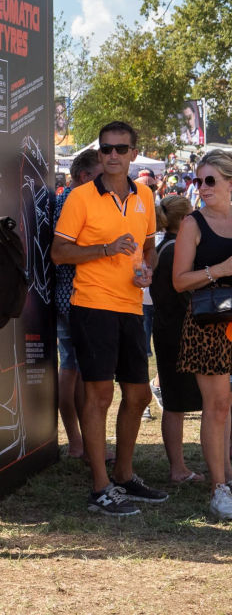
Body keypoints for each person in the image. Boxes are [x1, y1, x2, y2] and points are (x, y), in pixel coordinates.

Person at [52, 120, 166, 517]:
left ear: (134, 153)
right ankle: (100, 487)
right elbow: (59, 253)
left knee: (139, 395)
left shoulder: (145, 195)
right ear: (99, 154)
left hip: (132, 306)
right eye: (106, 149)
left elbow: (149, 247)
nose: (112, 155)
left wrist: (147, 269)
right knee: (99, 395)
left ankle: (124, 474)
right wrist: (105, 249)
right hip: (92, 305)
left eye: (120, 148)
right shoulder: (80, 197)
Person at [172, 150, 232, 520]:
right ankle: (218, 488)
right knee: (218, 405)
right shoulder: (192, 224)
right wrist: (219, 270)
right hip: (208, 324)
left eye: (211, 180)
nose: (203, 187)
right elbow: (179, 281)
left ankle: (228, 477)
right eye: (199, 180)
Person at [149, 195, 205, 483]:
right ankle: (178, 469)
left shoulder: (164, 248)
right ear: (184, 220)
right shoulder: (174, 251)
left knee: (175, 404)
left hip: (169, 330)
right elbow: (184, 293)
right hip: (180, 333)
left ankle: (180, 467)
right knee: (176, 405)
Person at [54, 149, 102, 459]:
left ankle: (79, 441)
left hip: (66, 293)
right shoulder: (74, 201)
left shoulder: (64, 200)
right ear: (85, 176)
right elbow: (66, 251)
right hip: (76, 294)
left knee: (72, 367)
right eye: (100, 176)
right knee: (80, 371)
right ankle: (83, 442)